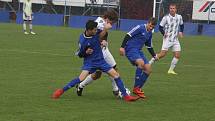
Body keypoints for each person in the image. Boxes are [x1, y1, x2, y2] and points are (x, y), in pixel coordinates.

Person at [52, 20, 139, 102]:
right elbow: (79, 54)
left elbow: (101, 35)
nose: (96, 31)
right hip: (90, 63)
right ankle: (61, 91)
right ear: (89, 30)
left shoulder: (96, 32)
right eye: (94, 30)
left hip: (101, 61)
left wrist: (105, 34)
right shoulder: (82, 40)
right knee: (81, 78)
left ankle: (126, 96)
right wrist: (86, 52)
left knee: (116, 75)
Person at [76, 9, 120, 96]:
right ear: (107, 18)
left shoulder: (103, 23)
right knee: (98, 74)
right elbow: (94, 38)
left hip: (104, 50)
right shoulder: (99, 24)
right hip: (97, 52)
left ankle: (116, 90)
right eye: (112, 22)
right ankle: (81, 85)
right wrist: (102, 39)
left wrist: (104, 42)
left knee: (113, 69)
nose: (112, 24)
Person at [119, 18, 158, 98]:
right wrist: (122, 47)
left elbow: (149, 46)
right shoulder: (140, 27)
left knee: (148, 69)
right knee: (141, 63)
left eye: (152, 27)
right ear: (148, 22)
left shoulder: (150, 33)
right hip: (130, 49)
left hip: (138, 51)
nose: (151, 28)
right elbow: (128, 35)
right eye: (150, 26)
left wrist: (154, 55)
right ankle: (136, 88)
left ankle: (138, 88)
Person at [149, 3, 184, 75]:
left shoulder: (179, 17)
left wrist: (181, 31)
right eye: (171, 8)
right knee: (162, 54)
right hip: (167, 39)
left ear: (176, 9)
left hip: (175, 39)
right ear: (169, 9)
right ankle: (149, 64)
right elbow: (160, 27)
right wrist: (163, 33)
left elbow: (182, 25)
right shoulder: (166, 18)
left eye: (173, 8)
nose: (172, 10)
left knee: (177, 55)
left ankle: (170, 70)